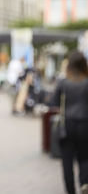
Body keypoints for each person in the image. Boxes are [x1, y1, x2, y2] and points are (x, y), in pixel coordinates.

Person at [50, 51, 88, 194]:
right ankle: (85, 183)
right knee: (85, 158)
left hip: (67, 126)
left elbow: (53, 103)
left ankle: (70, 190)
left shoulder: (64, 82)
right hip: (85, 124)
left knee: (67, 162)